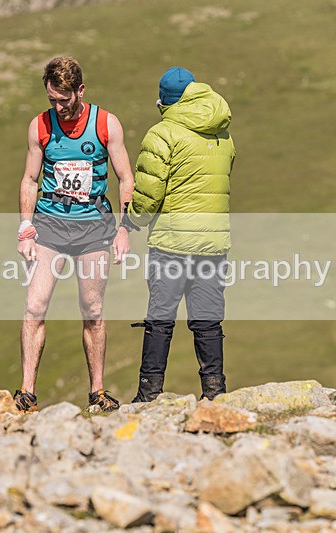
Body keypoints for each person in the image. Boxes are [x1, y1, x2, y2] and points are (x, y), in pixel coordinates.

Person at [15, 56, 134, 413]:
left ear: (80, 91)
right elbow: (30, 180)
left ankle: (97, 392)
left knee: (93, 309)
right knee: (34, 306)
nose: (58, 106)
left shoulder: (106, 124)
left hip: (94, 229)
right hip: (50, 225)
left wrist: (125, 228)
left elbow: (126, 177)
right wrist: (25, 227)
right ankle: (26, 394)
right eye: (52, 99)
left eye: (64, 99)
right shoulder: (40, 126)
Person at [122, 67, 236, 402]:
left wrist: (130, 221)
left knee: (160, 319)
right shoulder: (224, 132)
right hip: (214, 242)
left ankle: (149, 394)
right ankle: (215, 392)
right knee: (208, 321)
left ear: (164, 101)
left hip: (172, 242)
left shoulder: (163, 134)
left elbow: (148, 195)